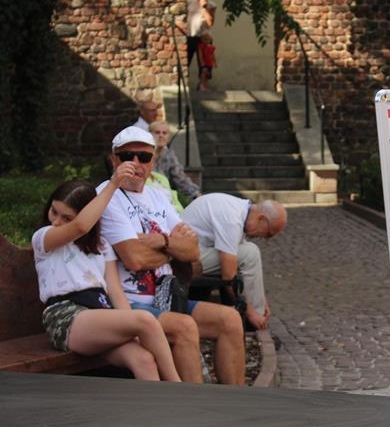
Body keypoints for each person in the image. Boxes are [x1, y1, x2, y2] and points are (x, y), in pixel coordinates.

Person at [98, 125, 245, 385]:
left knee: (230, 319)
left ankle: (235, 400)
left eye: (144, 157)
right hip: (131, 304)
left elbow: (193, 251)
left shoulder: (158, 196)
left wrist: (162, 241)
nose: (136, 163)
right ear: (114, 159)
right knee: (184, 327)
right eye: (127, 156)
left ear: (153, 161)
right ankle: (192, 406)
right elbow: (134, 259)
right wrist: (172, 248)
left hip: (168, 298)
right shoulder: (107, 197)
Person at [32, 163, 181, 382]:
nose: (56, 221)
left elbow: (115, 291)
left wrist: (129, 326)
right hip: (66, 316)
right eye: (54, 211)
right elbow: (80, 227)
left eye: (67, 218)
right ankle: (179, 389)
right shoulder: (44, 237)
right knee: (146, 320)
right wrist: (114, 183)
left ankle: (157, 404)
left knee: (144, 359)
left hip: (101, 314)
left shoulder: (101, 245)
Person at [181, 194, 287, 330]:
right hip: (184, 260)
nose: (265, 238)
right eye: (268, 234)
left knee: (246, 252)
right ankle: (253, 321)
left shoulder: (240, 210)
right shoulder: (232, 220)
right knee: (250, 253)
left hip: (194, 250)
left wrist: (261, 298)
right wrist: (250, 313)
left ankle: (256, 312)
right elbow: (229, 277)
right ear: (261, 219)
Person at [149, 120, 201, 203]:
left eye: (164, 133)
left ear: (168, 137)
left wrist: (196, 194)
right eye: (157, 132)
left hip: (164, 196)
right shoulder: (144, 153)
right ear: (149, 134)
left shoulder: (169, 154)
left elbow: (180, 178)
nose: (161, 135)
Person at [186, 0, 216, 77]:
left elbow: (210, 22)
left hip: (204, 38)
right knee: (185, 62)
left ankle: (203, 83)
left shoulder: (212, 5)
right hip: (190, 36)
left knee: (205, 66)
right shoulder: (189, 2)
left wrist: (204, 7)